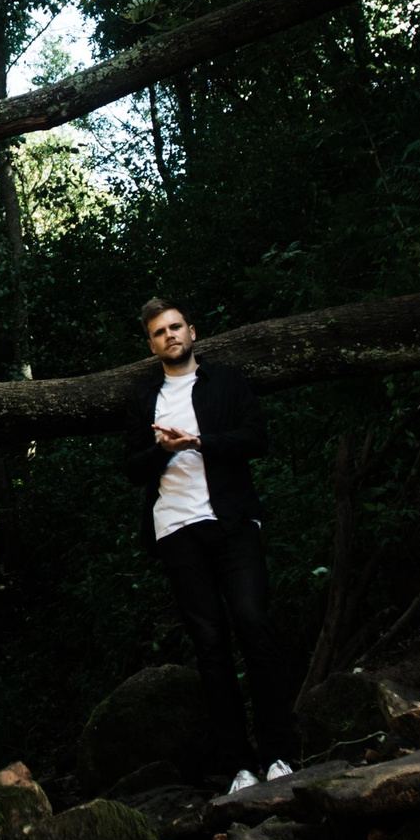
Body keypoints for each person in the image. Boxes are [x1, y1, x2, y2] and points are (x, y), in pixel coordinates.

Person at [122, 296, 298, 794]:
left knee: (254, 625)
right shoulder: (143, 396)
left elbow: (256, 439)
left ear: (193, 332)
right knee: (211, 645)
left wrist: (200, 442)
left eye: (175, 327)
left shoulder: (226, 382)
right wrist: (161, 450)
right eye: (159, 332)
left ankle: (280, 753)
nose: (169, 336)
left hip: (232, 521)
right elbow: (130, 467)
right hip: (176, 530)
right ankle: (239, 766)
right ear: (151, 344)